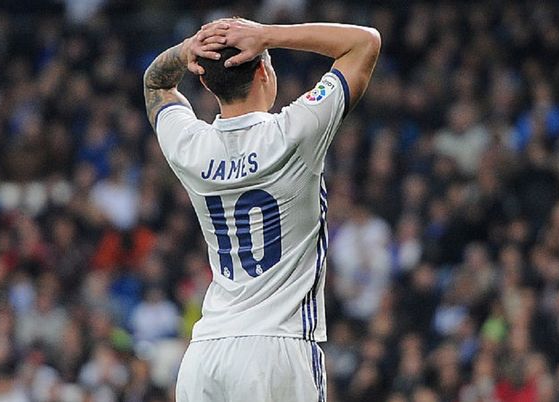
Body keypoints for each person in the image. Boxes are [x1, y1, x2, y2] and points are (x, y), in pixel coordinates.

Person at [143, 17, 381, 401]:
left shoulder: (190, 146)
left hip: (205, 354)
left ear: (205, 83)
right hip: (277, 349)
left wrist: (187, 50)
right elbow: (364, 43)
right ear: (264, 71)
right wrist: (268, 35)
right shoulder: (295, 132)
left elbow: (156, 83)